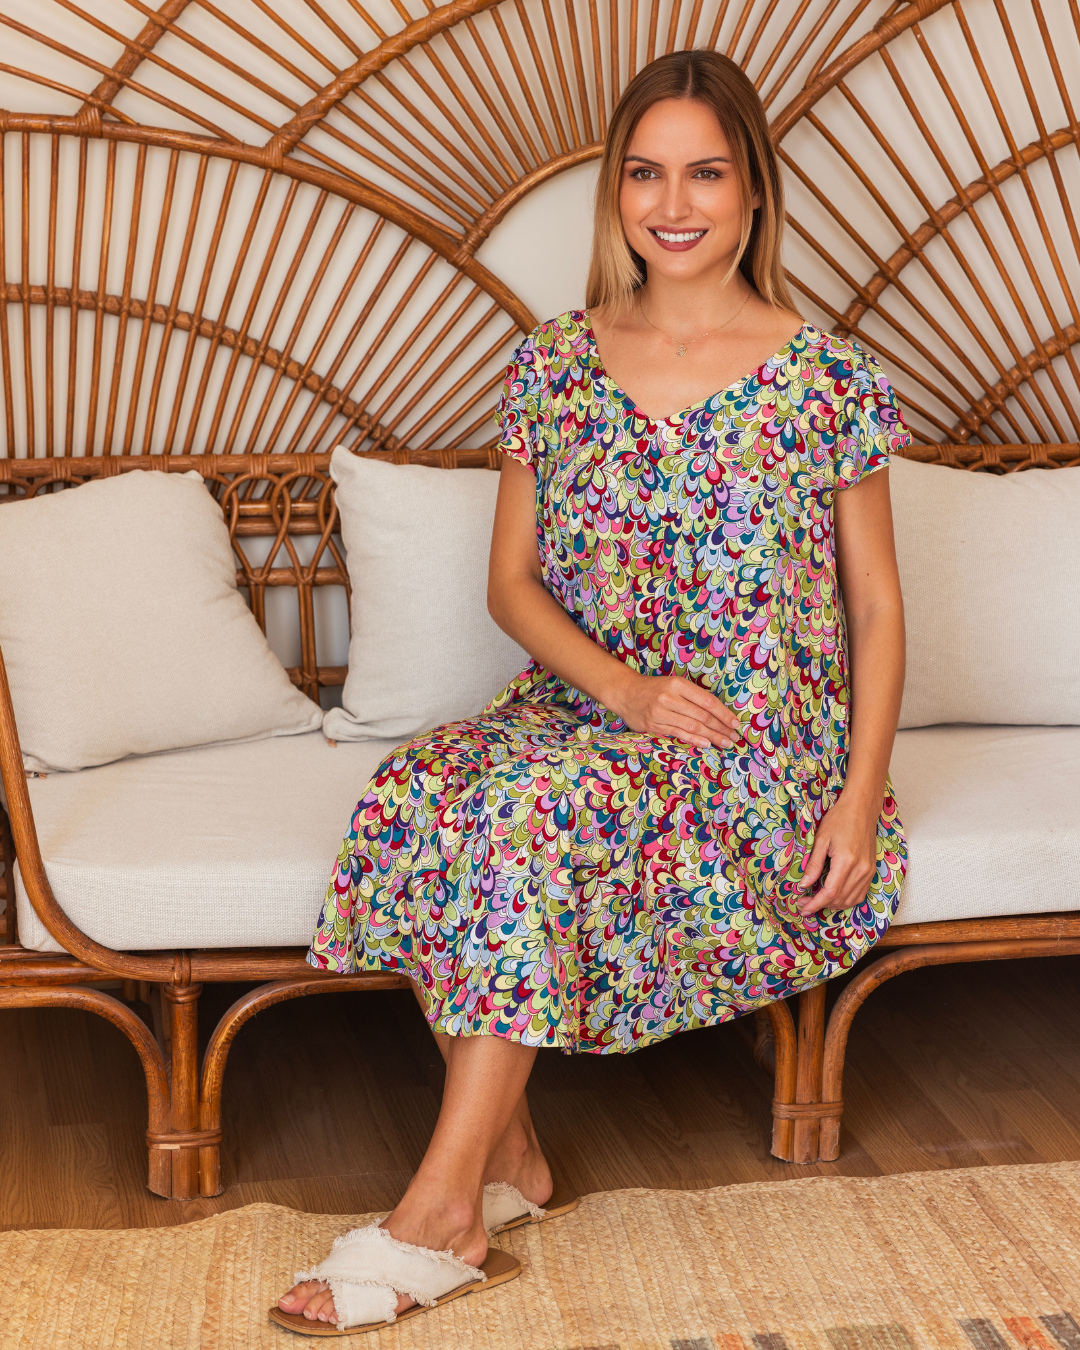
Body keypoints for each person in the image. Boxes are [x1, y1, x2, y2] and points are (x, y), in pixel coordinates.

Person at [274, 46, 907, 1335]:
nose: (674, 204)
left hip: (752, 748)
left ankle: (443, 1210)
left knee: (531, 821)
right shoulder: (555, 361)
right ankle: (510, 1152)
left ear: (754, 190)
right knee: (424, 789)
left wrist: (857, 799)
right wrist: (623, 692)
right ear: (616, 190)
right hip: (588, 711)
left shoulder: (828, 375)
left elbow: (879, 610)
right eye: (646, 174)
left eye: (706, 174)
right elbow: (510, 586)